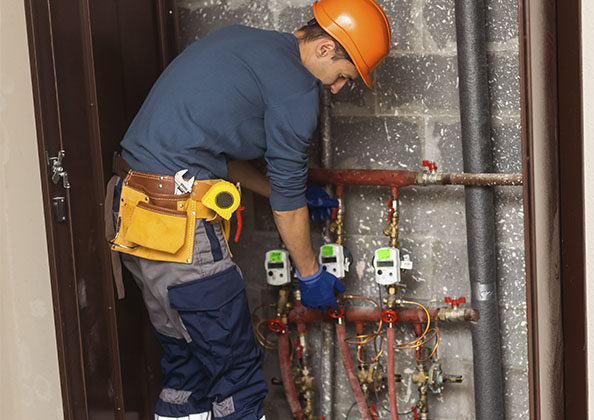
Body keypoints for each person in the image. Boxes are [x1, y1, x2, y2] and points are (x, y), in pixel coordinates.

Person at [107, 1, 391, 419]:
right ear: (326, 48)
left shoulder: (241, 41)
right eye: (344, 76)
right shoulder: (297, 90)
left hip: (133, 213)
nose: (336, 89)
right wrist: (310, 273)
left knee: (189, 369)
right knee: (236, 377)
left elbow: (217, 149)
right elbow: (288, 208)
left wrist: (276, 188)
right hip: (178, 224)